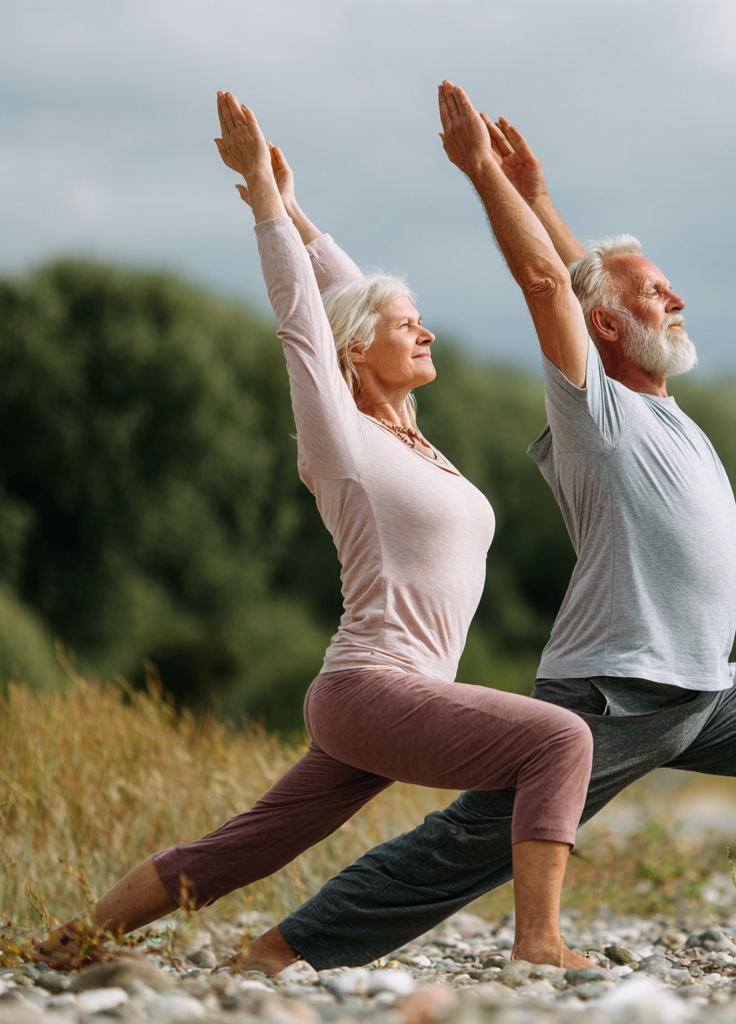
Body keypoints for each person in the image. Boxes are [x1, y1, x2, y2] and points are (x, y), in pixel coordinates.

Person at [221, 81, 736, 974]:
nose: (679, 301)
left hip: (701, 687)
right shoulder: (596, 413)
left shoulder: (655, 402)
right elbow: (555, 284)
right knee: (471, 842)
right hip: (617, 688)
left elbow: (592, 282)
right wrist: (480, 174)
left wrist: (542, 196)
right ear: (610, 329)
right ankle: (286, 948)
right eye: (659, 295)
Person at [32, 90, 597, 973]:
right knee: (559, 739)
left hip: (375, 698)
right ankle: (540, 943)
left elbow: (346, 296)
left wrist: (298, 208)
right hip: (374, 687)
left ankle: (69, 946)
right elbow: (307, 316)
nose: (426, 329)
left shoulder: (412, 441)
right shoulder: (344, 441)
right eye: (406, 325)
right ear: (356, 353)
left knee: (244, 847)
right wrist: (261, 202)